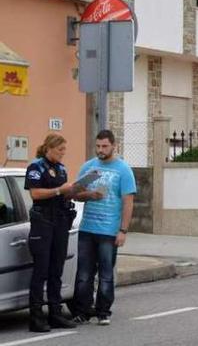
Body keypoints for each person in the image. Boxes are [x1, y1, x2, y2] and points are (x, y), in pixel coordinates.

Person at [70, 130, 137, 326]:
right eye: (98, 146)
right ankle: (82, 310)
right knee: (84, 273)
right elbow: (75, 194)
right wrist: (90, 195)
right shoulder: (90, 168)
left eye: (104, 146)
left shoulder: (122, 170)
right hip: (87, 228)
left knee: (106, 273)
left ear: (113, 146)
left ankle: (103, 311)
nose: (100, 150)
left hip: (108, 231)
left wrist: (123, 230)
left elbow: (128, 202)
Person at [24, 134, 80, 333]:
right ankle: (36, 318)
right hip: (43, 223)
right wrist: (58, 190)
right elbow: (35, 193)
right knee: (41, 271)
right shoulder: (36, 167)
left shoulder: (61, 169)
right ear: (49, 148)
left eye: (64, 150)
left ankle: (55, 313)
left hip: (60, 222)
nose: (63, 154)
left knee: (57, 269)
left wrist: (76, 191)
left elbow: (64, 191)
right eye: (60, 150)